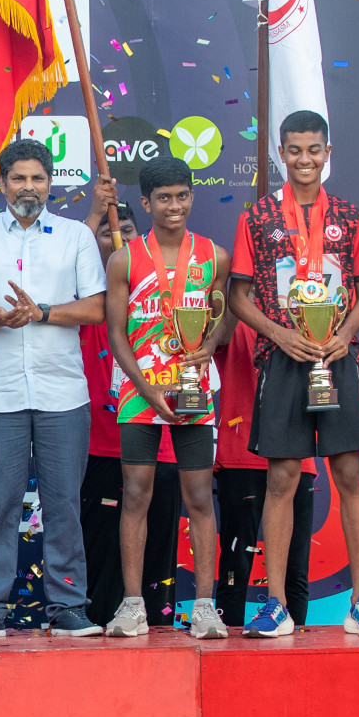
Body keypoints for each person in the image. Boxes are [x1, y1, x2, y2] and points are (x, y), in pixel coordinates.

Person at [229, 110, 359, 638]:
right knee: (282, 477)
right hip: (284, 359)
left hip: (338, 360)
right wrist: (278, 334)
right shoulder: (256, 218)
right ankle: (275, 604)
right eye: (294, 150)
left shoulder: (350, 215)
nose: (304, 159)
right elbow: (238, 296)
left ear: (327, 151)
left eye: (313, 150)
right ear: (280, 153)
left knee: (349, 475)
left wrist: (344, 335)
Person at [0, 138, 107, 639]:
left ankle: (67, 607)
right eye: (18, 178)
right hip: (1, 394)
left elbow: (96, 308)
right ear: (1, 184)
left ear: (50, 184)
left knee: (64, 502)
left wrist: (39, 312)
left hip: (64, 393)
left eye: (37, 178)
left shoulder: (74, 238)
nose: (28, 187)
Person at [103, 158, 231, 639]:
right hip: (140, 393)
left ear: (192, 197)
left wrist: (210, 346)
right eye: (163, 198)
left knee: (198, 496)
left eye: (181, 196)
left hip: (194, 391)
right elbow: (117, 334)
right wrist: (144, 388)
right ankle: (133, 605)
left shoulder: (214, 256)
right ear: (146, 202)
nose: (173, 206)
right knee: (136, 493)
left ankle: (203, 607)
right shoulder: (126, 259)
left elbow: (222, 318)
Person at [78, 199, 184, 627]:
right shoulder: (81, 295)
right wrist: (91, 219)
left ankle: (159, 646)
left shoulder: (167, 292)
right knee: (101, 562)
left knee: (158, 560)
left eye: (127, 230)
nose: (119, 238)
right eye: (108, 232)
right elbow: (75, 248)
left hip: (163, 441)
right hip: (101, 445)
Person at [214, 321, 318, 627]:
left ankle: (295, 647)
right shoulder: (234, 316)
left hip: (296, 457)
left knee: (295, 569)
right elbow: (215, 339)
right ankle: (228, 658)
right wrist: (241, 289)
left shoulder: (303, 315)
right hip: (240, 457)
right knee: (235, 566)